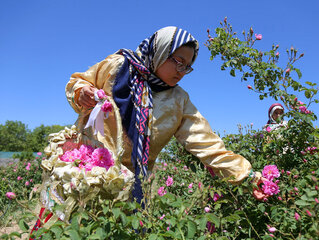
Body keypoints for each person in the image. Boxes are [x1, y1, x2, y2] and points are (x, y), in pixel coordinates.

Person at [65, 26, 265, 202]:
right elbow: (79, 81)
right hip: (84, 171)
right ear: (159, 51)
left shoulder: (178, 100)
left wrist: (249, 177)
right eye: (178, 61)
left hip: (129, 187)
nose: (181, 71)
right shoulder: (118, 66)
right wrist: (81, 92)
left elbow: (207, 144)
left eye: (187, 66)